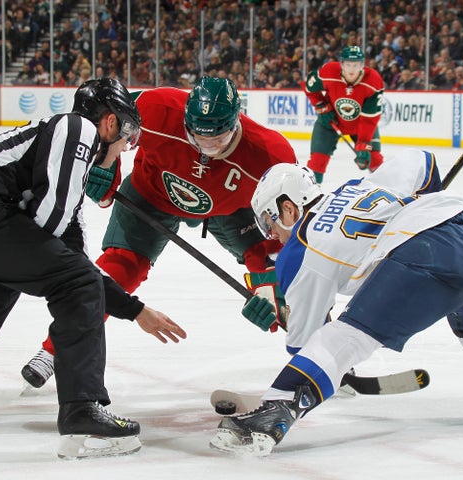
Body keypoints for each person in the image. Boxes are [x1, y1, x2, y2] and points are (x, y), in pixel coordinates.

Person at [210, 153, 463, 456]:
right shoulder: (356, 184)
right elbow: (422, 162)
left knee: (347, 336)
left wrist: (304, 345)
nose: (273, 235)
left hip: (430, 256)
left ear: (289, 208)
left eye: (270, 222)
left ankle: (275, 412)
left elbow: (307, 341)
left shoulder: (300, 248)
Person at [0, 78, 186, 459]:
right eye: (128, 134)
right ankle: (82, 410)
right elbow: (59, 250)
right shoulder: (76, 127)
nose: (125, 148)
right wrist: (78, 281)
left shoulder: (59, 162)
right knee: (76, 283)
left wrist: (134, 310)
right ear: (109, 123)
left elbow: (68, 256)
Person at [21, 76, 297, 388]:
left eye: (217, 140)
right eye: (198, 137)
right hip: (150, 196)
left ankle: (316, 346)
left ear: (236, 123)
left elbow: (291, 228)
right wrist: (106, 163)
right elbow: (104, 118)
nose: (207, 148)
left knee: (282, 274)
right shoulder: (157, 108)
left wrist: (266, 288)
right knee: (119, 269)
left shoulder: (271, 153)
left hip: (230, 211)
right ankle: (53, 350)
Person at [302, 45, 385, 184]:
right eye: (348, 65)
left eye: (356, 65)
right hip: (330, 123)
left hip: (360, 126)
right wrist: (321, 106)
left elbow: (369, 120)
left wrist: (363, 144)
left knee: (374, 159)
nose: (351, 70)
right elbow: (309, 88)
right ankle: (308, 201)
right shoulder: (329, 72)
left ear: (362, 65)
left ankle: (393, 191)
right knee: (316, 164)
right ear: (341, 64)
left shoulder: (373, 82)